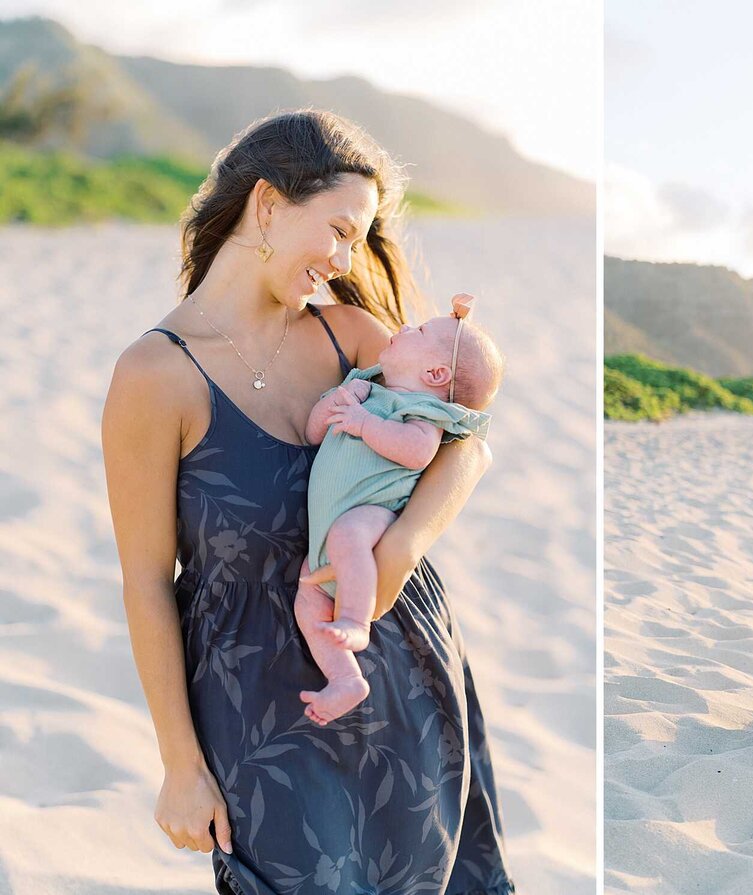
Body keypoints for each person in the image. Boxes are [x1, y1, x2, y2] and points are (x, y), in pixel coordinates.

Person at [102, 110, 515, 894]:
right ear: (266, 205)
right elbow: (146, 581)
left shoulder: (352, 337)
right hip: (259, 704)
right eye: (339, 229)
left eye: (360, 239)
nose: (348, 257)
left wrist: (397, 553)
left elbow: (469, 446)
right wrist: (179, 764)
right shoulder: (155, 376)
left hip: (403, 672)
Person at [298, 295, 502, 725]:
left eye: (420, 332)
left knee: (348, 534)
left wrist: (363, 423)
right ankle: (345, 680)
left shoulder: (420, 411)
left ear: (434, 374)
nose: (406, 328)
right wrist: (334, 403)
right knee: (308, 600)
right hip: (325, 543)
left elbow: (417, 452)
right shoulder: (367, 387)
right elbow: (314, 432)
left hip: (373, 514)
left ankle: (355, 620)